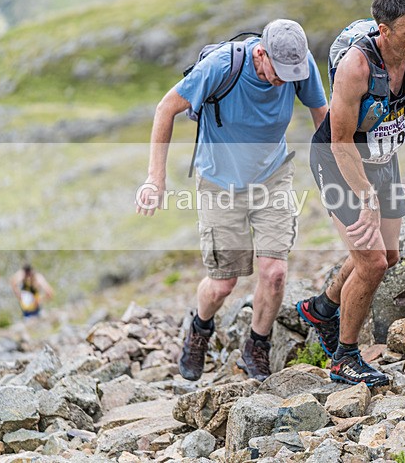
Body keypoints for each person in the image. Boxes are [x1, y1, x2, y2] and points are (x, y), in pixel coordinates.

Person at [137, 19, 327, 382]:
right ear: (260, 54)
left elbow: (323, 118)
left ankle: (257, 344)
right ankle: (200, 328)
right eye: (278, 73)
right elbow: (165, 109)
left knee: (274, 273)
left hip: (272, 176)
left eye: (293, 74)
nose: (286, 81)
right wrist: (154, 180)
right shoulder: (222, 66)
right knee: (223, 283)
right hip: (219, 183)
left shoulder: (300, 65)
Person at [298, 0, 405, 386]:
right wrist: (367, 199)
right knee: (371, 263)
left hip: (383, 157)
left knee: (389, 255)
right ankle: (345, 357)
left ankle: (321, 308)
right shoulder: (356, 68)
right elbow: (340, 142)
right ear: (383, 30)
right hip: (339, 160)